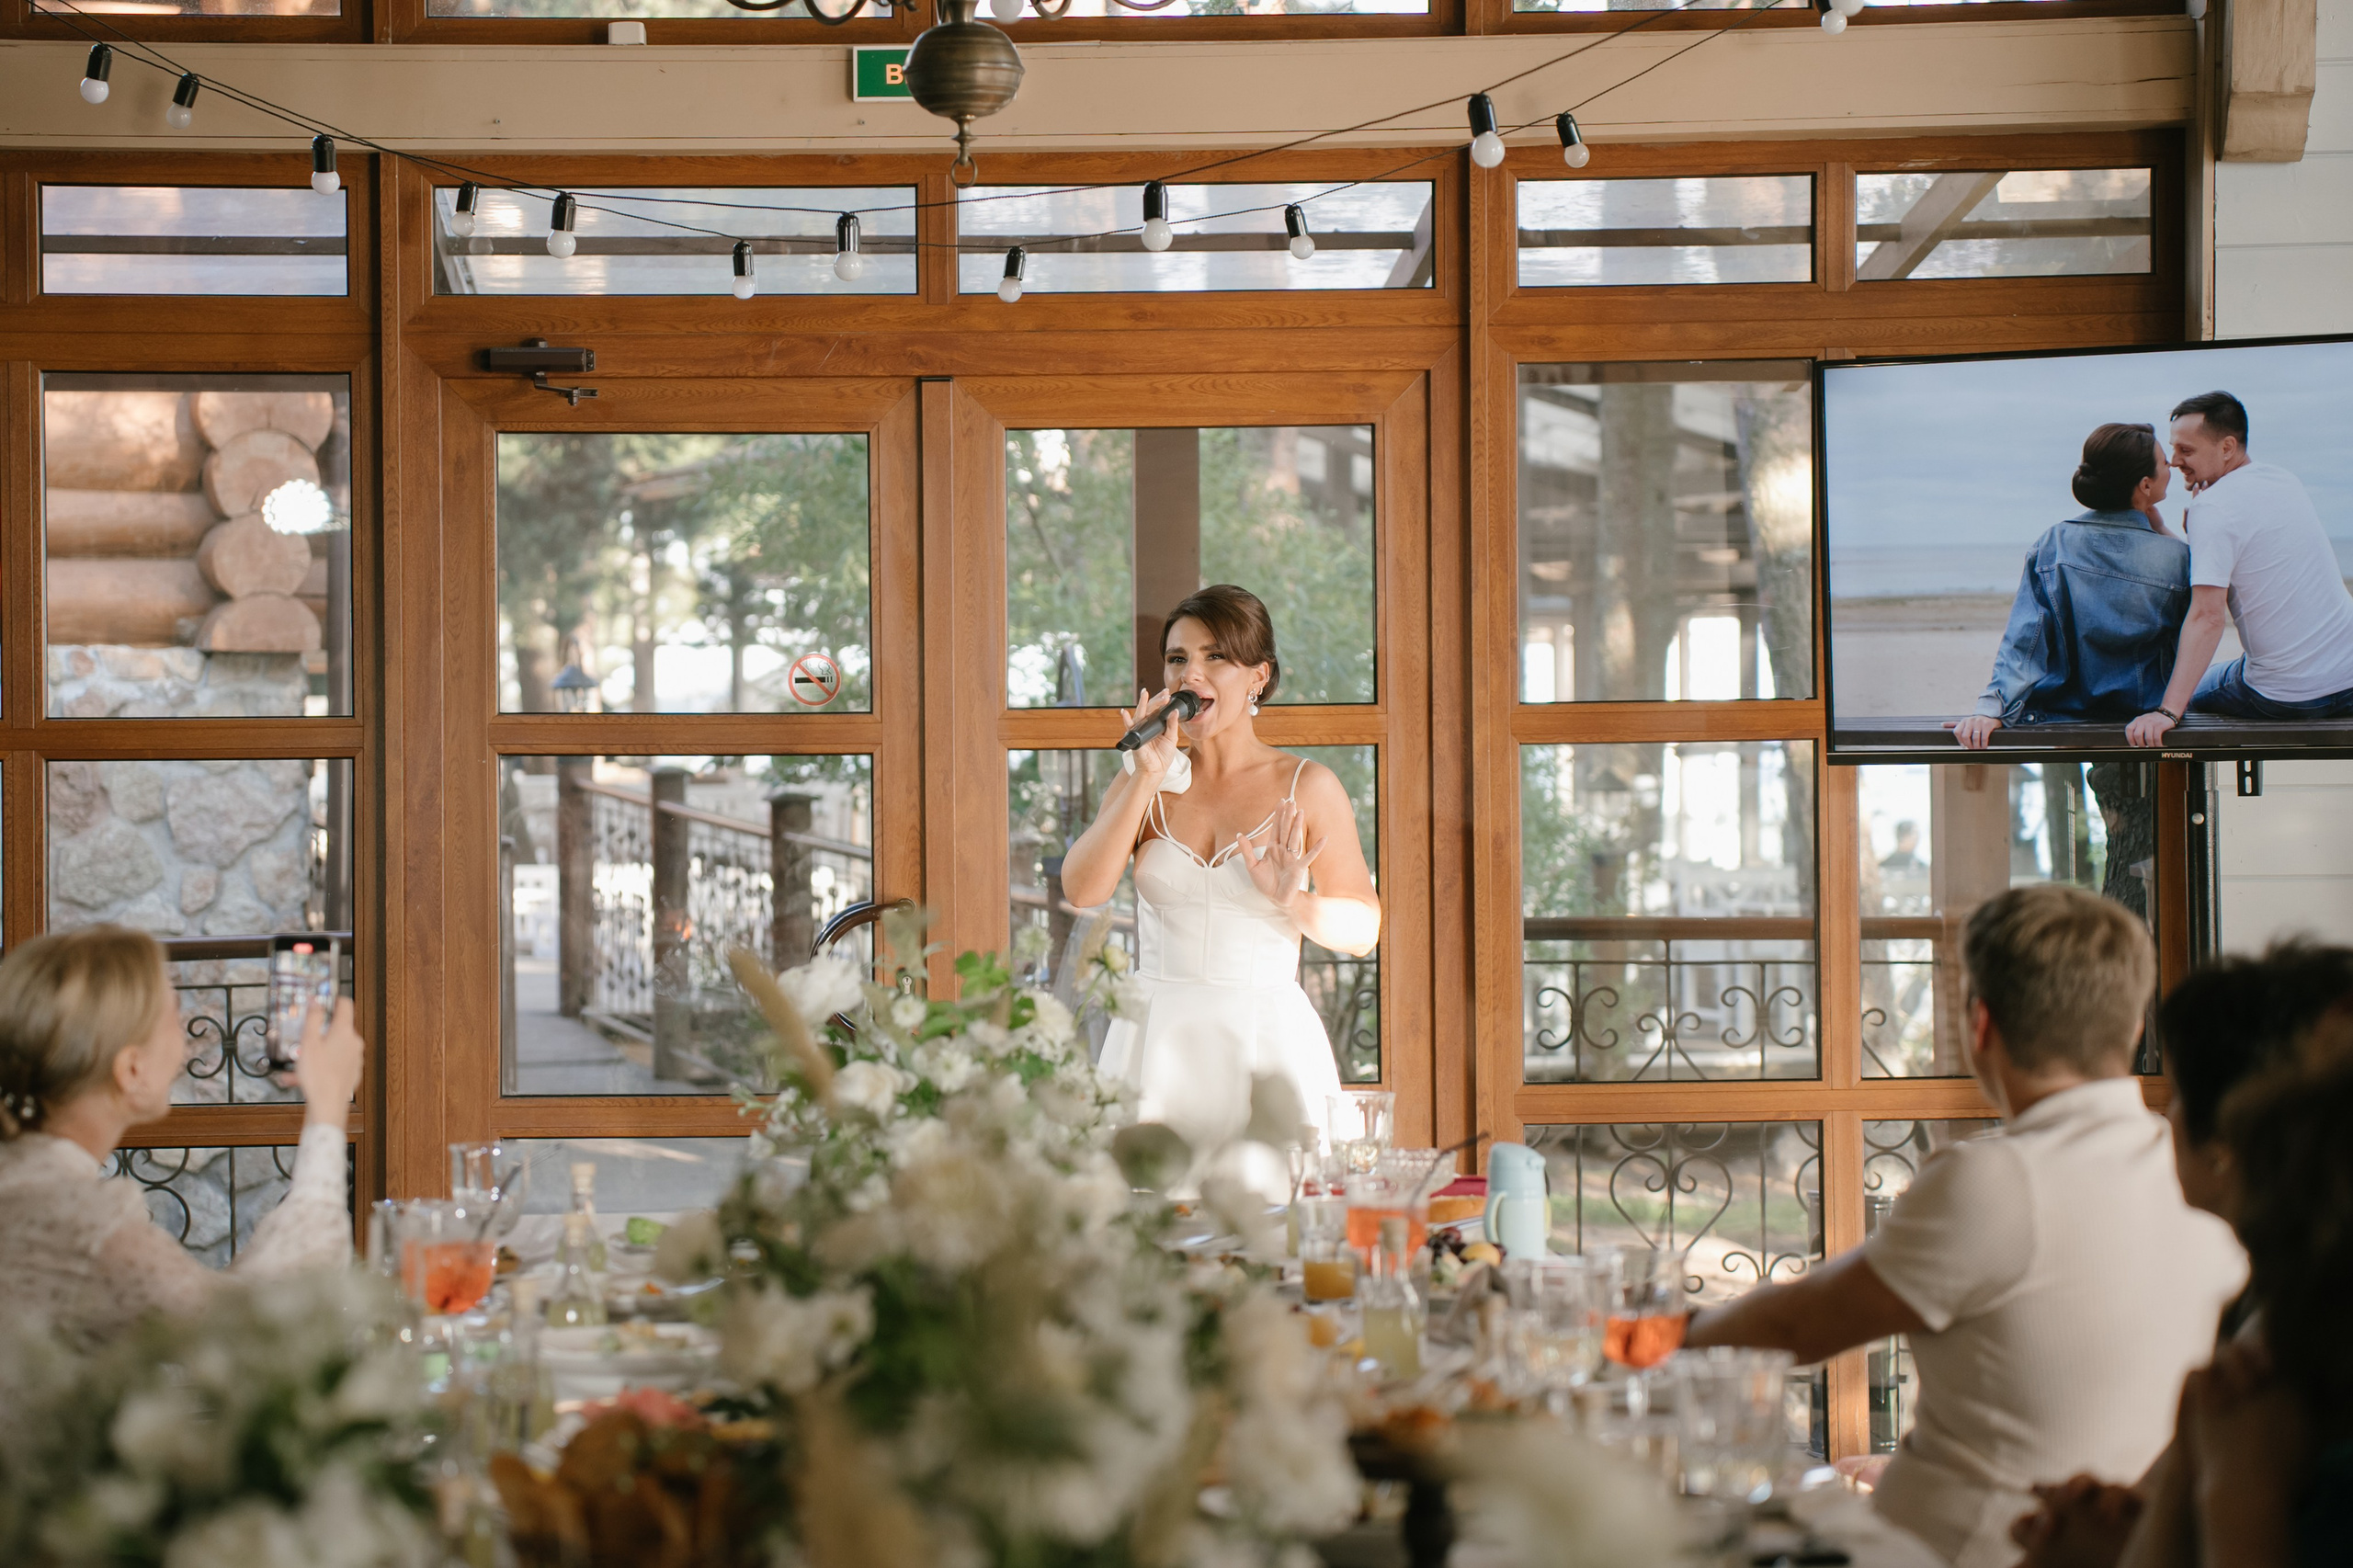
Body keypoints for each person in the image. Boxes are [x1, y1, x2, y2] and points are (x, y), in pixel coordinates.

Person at [1685, 885, 2245, 1568]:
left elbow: (1794, 1329)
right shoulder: (2203, 1175)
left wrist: (1662, 1333)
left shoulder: (1997, 1180)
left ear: (1980, 1024)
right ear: (2133, 1028)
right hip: (2123, 1540)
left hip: (1970, 1550)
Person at [2009, 942, 2353, 1568]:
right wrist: (2155, 1515)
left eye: (2175, 1092)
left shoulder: (2290, 1378)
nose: (2165, 1117)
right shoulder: (2274, 1320)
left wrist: (2231, 1491)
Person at [1061, 585, 1380, 1184]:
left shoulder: (1308, 786)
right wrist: (1144, 778)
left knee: (1268, 1214)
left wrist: (1292, 899)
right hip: (1154, 1040)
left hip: (1264, 1042)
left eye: (1215, 657)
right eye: (1177, 658)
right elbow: (1082, 891)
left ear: (1258, 676)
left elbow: (1363, 930)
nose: (1191, 673)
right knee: (1148, 1219)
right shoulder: (1144, 778)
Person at [0, 925, 364, 1350]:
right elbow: (247, 1328)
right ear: (131, 1070)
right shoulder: (88, 1227)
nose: (188, 1034)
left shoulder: (23, 1180)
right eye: (174, 1013)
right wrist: (328, 1106)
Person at [2127, 391, 2353, 745]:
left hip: (2286, 697)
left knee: (2171, 691)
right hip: (2348, 681)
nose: (2174, 461)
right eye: (2173, 449)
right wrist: (2170, 530)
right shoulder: (2283, 480)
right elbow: (2244, 562)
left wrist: (2167, 712)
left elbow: (2208, 617)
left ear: (2227, 447)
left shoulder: (2212, 509)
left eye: (2186, 450)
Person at [1952, 423, 2188, 750]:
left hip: (2058, 717)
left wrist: (1993, 709)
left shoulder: (2056, 542)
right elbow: (2193, 636)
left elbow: (2026, 639)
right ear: (2145, 485)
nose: (2172, 465)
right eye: (2164, 462)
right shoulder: (2177, 557)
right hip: (2145, 721)